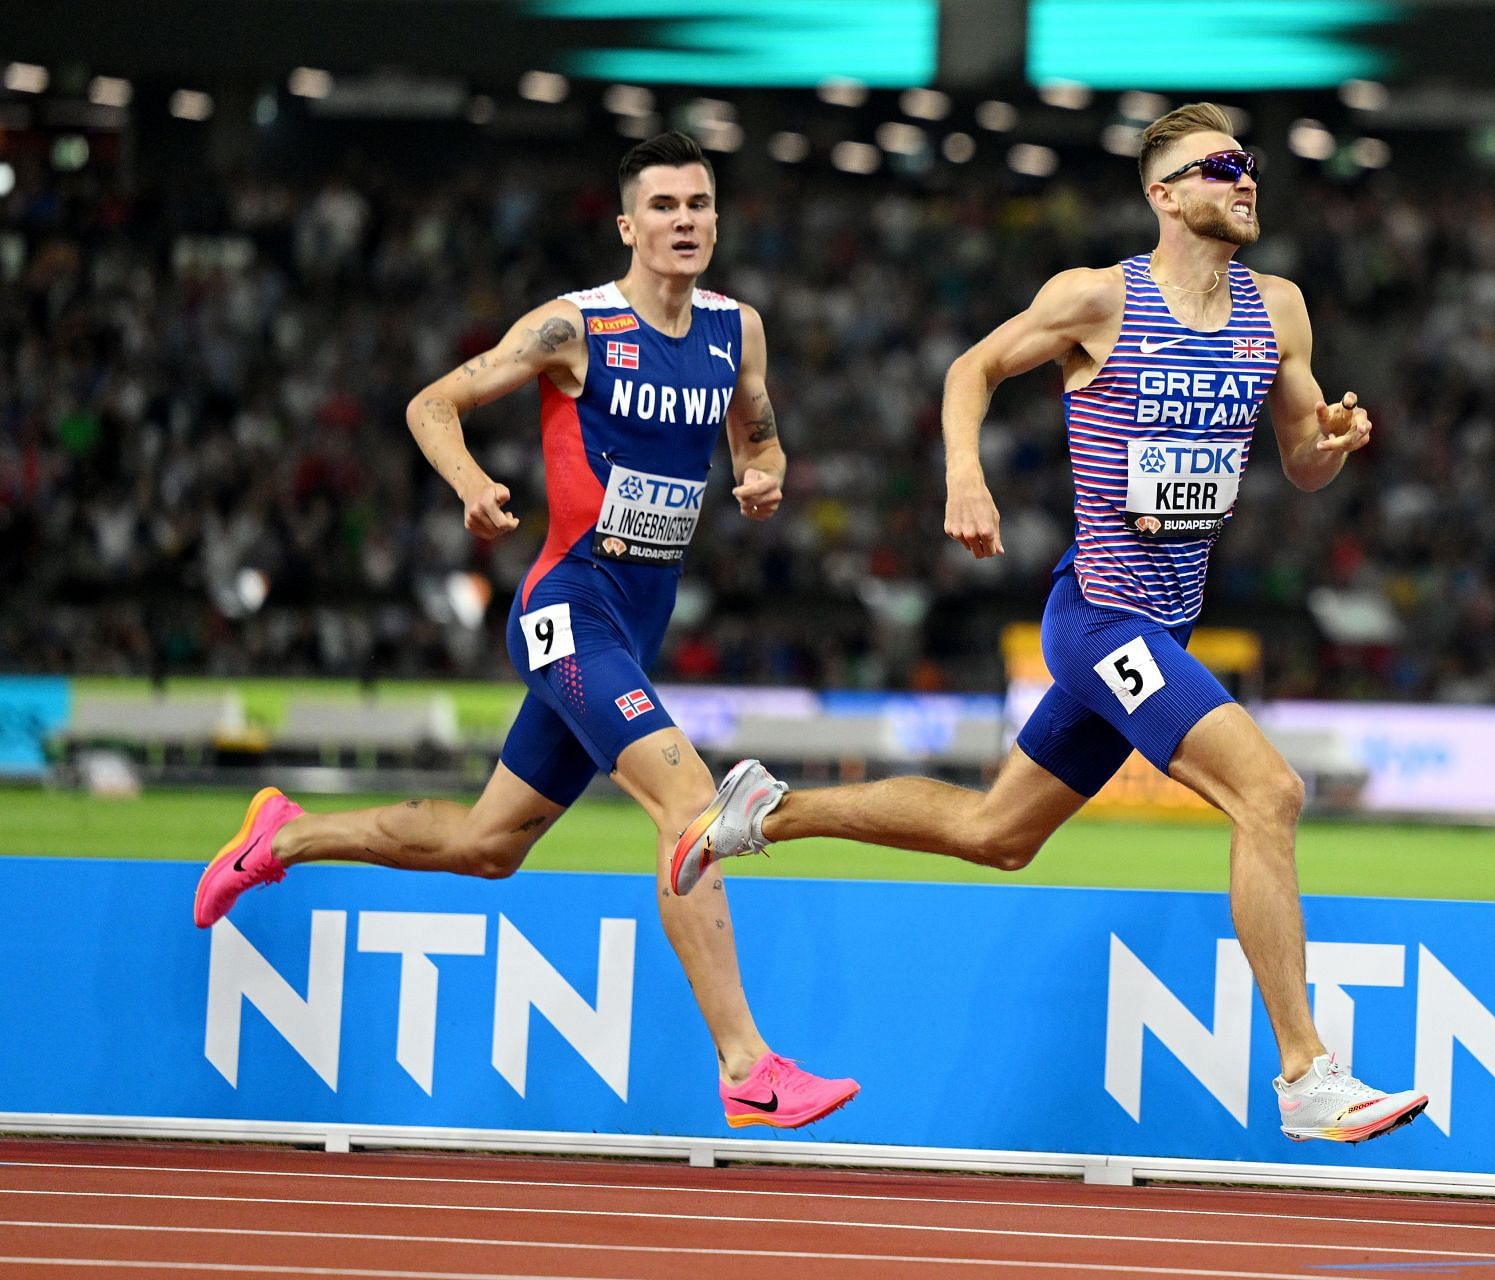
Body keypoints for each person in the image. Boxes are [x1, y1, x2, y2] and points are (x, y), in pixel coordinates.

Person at [672, 104, 1425, 1143]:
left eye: (1251, 165)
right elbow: (969, 370)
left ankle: (769, 809)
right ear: (1163, 194)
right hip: (1101, 618)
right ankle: (1305, 1071)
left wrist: (1331, 443)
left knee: (996, 833)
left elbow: (1298, 462)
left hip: (1165, 628)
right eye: (1220, 167)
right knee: (1271, 789)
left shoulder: (1280, 309)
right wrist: (965, 477)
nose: (1246, 180)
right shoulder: (1096, 298)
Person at [191, 132, 857, 1131]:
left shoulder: (736, 332)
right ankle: (746, 1064)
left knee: (484, 842)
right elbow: (432, 403)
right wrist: (471, 485)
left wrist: (765, 473)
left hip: (635, 622)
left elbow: (758, 432)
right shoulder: (572, 326)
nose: (685, 221)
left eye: (700, 204)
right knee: (691, 809)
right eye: (665, 206)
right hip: (565, 608)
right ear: (628, 225)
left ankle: (287, 835)